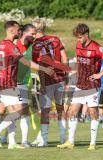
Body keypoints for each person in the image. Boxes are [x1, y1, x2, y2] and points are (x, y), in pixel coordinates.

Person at [0, 20, 54, 149]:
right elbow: (25, 62)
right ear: (15, 31)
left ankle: (12, 142)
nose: (35, 36)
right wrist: (44, 69)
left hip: (10, 82)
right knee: (19, 111)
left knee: (15, 111)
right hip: (10, 82)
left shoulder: (1, 44)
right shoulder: (12, 45)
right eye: (32, 33)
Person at [57, 23, 103, 150]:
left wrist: (100, 74)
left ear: (86, 35)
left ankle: (92, 143)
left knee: (93, 112)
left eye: (80, 37)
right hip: (80, 84)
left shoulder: (96, 48)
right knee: (72, 112)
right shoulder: (78, 45)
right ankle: (70, 142)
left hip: (92, 85)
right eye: (77, 37)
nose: (78, 40)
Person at [31, 18, 69, 147]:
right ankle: (63, 138)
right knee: (60, 109)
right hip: (60, 78)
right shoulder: (55, 39)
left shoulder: (35, 45)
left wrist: (41, 83)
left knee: (45, 111)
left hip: (47, 81)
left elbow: (40, 65)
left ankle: (44, 140)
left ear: (35, 30)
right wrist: (66, 73)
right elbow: (64, 57)